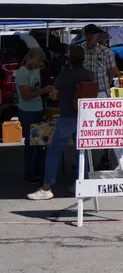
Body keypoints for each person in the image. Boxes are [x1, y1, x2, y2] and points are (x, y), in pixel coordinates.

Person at [27, 46, 95, 200]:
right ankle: (80, 183)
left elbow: (54, 96)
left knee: (54, 151)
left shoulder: (65, 75)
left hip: (67, 116)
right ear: (83, 58)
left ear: (69, 59)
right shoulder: (88, 74)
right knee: (81, 151)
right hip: (84, 116)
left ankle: (47, 187)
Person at [15, 47, 55, 183]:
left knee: (41, 142)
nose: (40, 65)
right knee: (31, 144)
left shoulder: (37, 70)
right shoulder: (22, 73)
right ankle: (30, 174)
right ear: (31, 58)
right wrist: (43, 90)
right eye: (39, 61)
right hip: (27, 112)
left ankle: (39, 171)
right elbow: (26, 95)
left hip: (38, 109)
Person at [83, 24, 118, 98]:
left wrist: (106, 86)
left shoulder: (106, 51)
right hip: (84, 91)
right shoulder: (80, 50)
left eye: (92, 34)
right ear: (85, 35)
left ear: (97, 36)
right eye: (87, 34)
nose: (89, 36)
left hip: (101, 92)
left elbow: (112, 71)